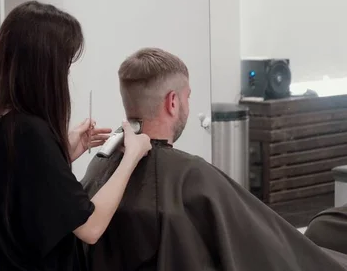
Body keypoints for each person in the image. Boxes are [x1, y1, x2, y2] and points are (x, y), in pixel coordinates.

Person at [81, 47, 347, 271]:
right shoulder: (191, 176)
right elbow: (270, 246)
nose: (187, 104)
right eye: (187, 98)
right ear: (172, 102)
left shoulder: (99, 167)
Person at [0, 1, 152, 271]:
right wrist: (132, 157)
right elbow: (90, 227)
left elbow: (8, 183)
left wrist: (61, 152)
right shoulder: (29, 132)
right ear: (44, 70)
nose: (65, 77)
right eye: (65, 66)